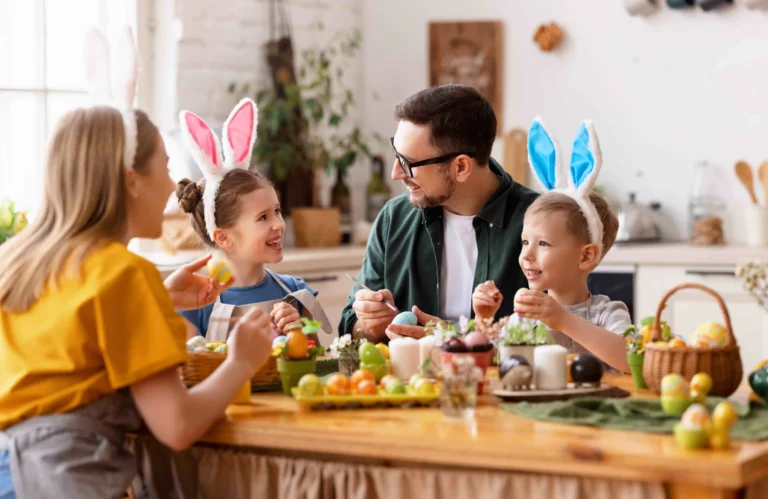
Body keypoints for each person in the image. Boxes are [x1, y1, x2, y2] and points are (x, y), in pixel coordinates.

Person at [0, 28, 273, 499]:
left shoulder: (19, 259)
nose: (172, 186)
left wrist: (157, 300)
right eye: (164, 167)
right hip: (71, 481)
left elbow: (69, 350)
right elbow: (177, 426)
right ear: (131, 180)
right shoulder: (123, 274)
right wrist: (240, 362)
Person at [339, 84, 539, 342]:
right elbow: (349, 325)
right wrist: (369, 326)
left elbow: (560, 331)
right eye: (396, 155)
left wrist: (452, 338)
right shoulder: (394, 219)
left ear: (462, 167)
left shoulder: (539, 221)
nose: (396, 173)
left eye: (409, 163)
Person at [472, 117, 630, 372]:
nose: (526, 255)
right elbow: (493, 363)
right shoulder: (524, 319)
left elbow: (630, 359)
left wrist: (563, 319)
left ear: (586, 256)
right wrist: (484, 318)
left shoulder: (607, 313)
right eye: (525, 242)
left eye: (543, 243)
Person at [175, 99, 332, 343]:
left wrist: (299, 332)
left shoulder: (294, 292)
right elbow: (188, 376)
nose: (279, 224)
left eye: (277, 211)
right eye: (263, 217)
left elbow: (317, 370)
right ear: (223, 237)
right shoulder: (193, 302)